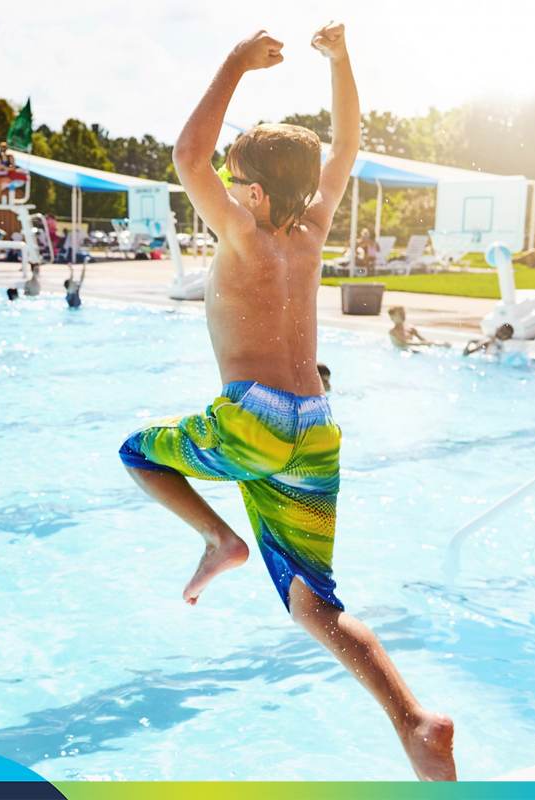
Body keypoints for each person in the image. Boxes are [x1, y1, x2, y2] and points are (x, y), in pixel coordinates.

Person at [117, 24, 455, 782]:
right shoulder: (312, 231)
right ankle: (416, 723)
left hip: (254, 420)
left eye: (236, 179)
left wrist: (236, 61)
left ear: (257, 193)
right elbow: (344, 150)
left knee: (138, 453)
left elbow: (185, 157)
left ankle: (219, 542)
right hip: (316, 426)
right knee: (315, 604)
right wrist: (342, 60)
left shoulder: (242, 232)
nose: (225, 189)